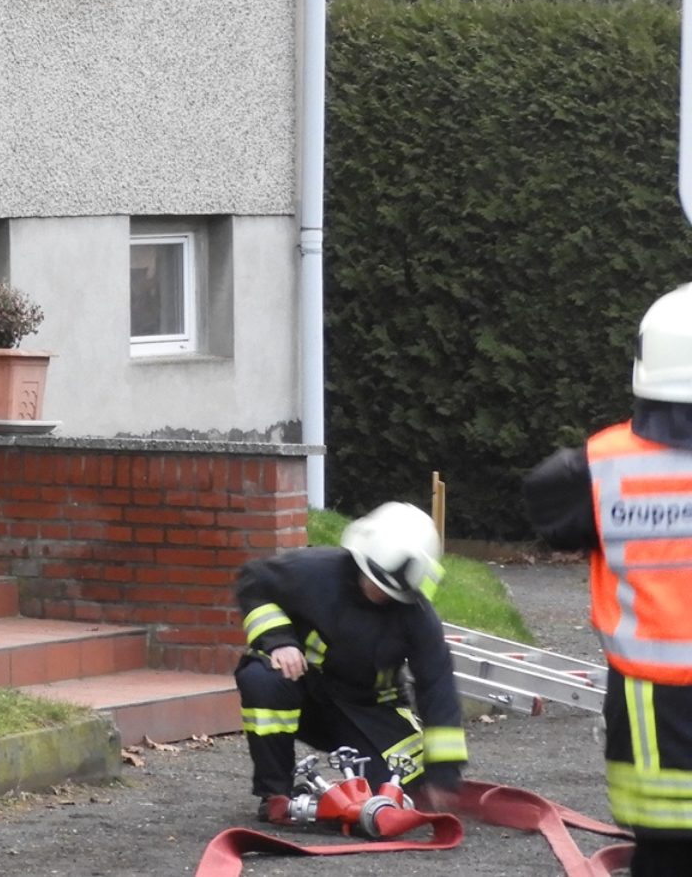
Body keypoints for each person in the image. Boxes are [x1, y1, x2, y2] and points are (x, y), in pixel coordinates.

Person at [523, 283, 692, 877]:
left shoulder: (594, 468)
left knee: (665, 852)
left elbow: (549, 516)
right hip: (652, 703)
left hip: (651, 708)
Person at [234, 501, 468, 823]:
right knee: (263, 680)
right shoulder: (316, 571)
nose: (380, 594)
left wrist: (443, 774)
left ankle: (341, 791)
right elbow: (253, 582)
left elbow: (437, 687)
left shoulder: (417, 616)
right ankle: (276, 795)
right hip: (307, 692)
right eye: (374, 581)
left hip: (370, 709)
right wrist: (279, 641)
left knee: (401, 788)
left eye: (391, 591)